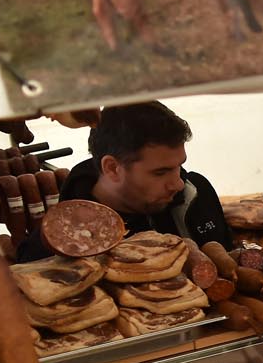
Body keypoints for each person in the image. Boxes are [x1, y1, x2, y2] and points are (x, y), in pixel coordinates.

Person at [17, 101, 233, 261]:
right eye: (160, 172)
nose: (177, 183)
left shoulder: (198, 191)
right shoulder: (55, 245)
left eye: (179, 165)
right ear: (112, 168)